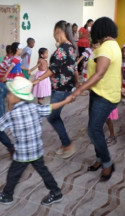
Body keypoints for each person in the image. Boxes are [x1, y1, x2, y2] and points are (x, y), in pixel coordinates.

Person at [0, 77, 71, 205]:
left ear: (17, 96)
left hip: (22, 153)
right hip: (36, 150)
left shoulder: (12, 115)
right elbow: (51, 107)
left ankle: (7, 195)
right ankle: (56, 192)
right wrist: (66, 100)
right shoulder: (34, 107)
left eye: (10, 93)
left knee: (13, 174)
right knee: (43, 171)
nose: (8, 95)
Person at [72, 17, 121, 181]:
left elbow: (99, 74)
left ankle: (107, 163)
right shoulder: (112, 45)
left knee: (94, 130)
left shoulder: (107, 48)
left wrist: (79, 89)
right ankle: (100, 159)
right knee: (94, 129)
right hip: (99, 92)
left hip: (104, 96)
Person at [33, 20, 77, 159]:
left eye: (54, 31)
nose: (53, 35)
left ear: (58, 31)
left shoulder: (63, 48)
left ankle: (68, 145)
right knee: (54, 116)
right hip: (65, 87)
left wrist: (38, 79)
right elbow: (71, 68)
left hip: (61, 88)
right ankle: (66, 144)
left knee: (52, 116)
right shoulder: (70, 47)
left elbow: (52, 69)